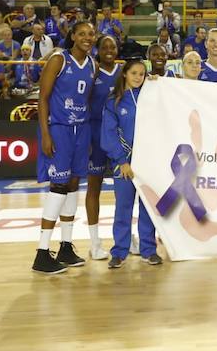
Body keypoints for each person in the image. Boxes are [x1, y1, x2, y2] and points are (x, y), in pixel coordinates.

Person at [32, 21, 96, 274]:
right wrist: (46, 134)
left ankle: (66, 247)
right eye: (82, 34)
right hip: (59, 128)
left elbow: (87, 100)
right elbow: (43, 98)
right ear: (73, 36)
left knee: (72, 185)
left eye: (91, 34)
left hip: (82, 130)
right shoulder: (59, 59)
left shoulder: (92, 64)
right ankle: (41, 252)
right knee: (58, 186)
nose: (87, 38)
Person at [100, 59, 162, 268]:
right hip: (124, 165)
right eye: (134, 73)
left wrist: (155, 83)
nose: (138, 77)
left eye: (142, 74)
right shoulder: (113, 102)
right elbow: (108, 134)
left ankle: (148, 250)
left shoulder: (149, 97)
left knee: (147, 208)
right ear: (125, 74)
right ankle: (119, 251)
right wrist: (122, 161)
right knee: (123, 208)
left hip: (147, 164)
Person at [85, 36, 120, 261]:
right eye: (104, 47)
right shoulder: (92, 72)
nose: (108, 50)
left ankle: (125, 238)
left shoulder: (125, 72)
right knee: (93, 187)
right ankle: (94, 241)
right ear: (98, 50)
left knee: (125, 191)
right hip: (96, 136)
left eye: (112, 47)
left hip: (119, 137)